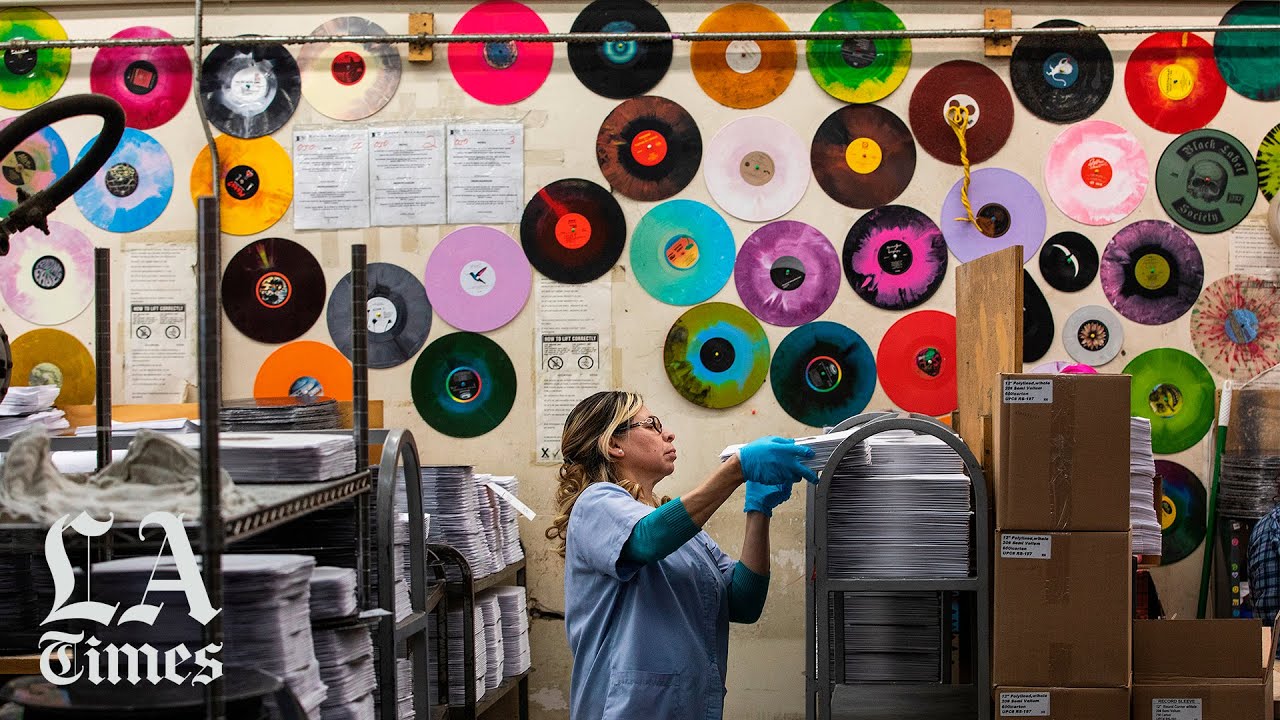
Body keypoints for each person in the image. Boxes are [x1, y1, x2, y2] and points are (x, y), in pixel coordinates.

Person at [545, 390, 817, 719]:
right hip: (625, 709)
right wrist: (736, 470)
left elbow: (744, 601)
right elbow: (647, 540)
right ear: (614, 445)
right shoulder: (595, 504)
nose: (668, 433)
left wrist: (758, 509)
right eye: (652, 424)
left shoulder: (683, 532)